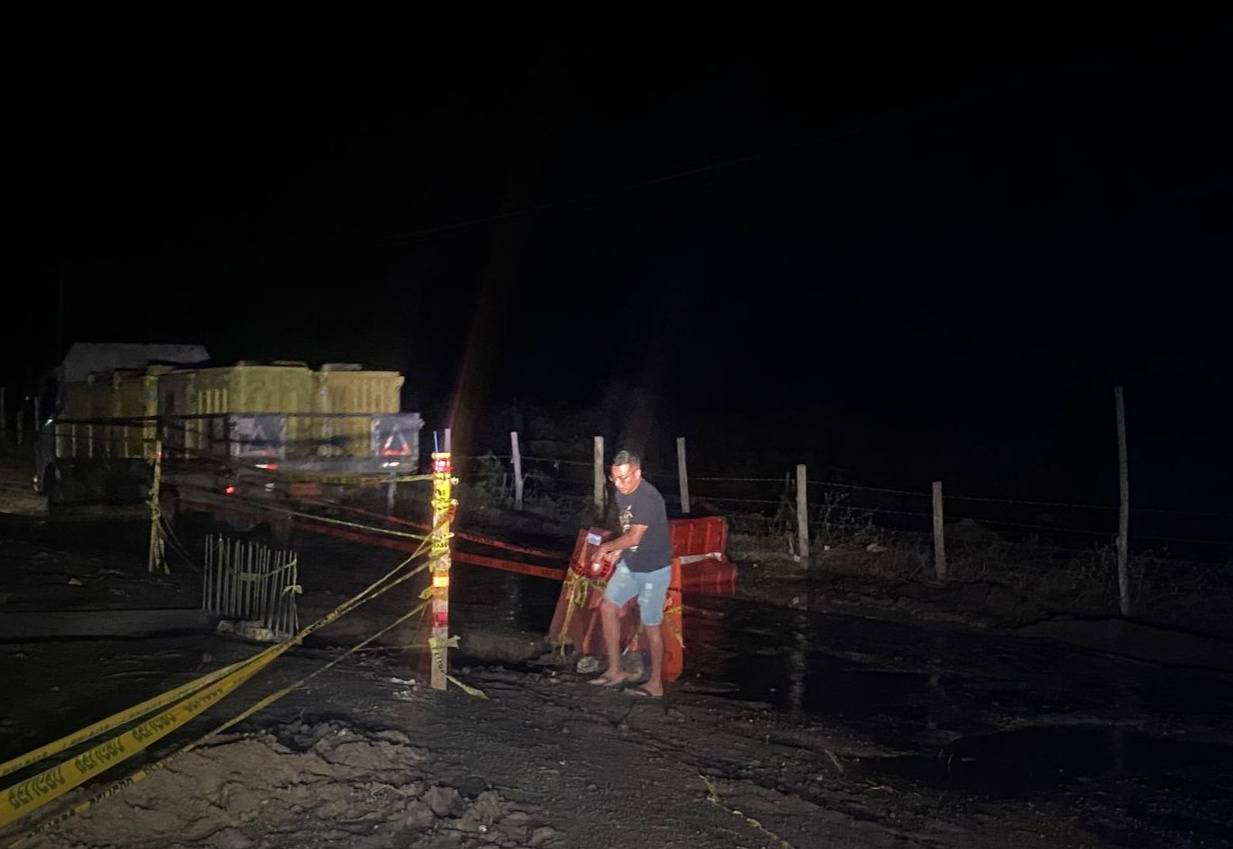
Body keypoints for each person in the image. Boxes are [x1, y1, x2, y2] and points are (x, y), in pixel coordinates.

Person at [587, 449, 674, 697]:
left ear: (638, 473)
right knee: (607, 607)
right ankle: (615, 670)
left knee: (651, 625)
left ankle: (655, 685)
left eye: (624, 478)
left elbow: (635, 536)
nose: (619, 484)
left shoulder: (648, 498)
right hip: (631, 562)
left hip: (653, 569)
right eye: (615, 478)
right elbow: (628, 530)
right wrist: (619, 550)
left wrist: (606, 548)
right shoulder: (621, 492)